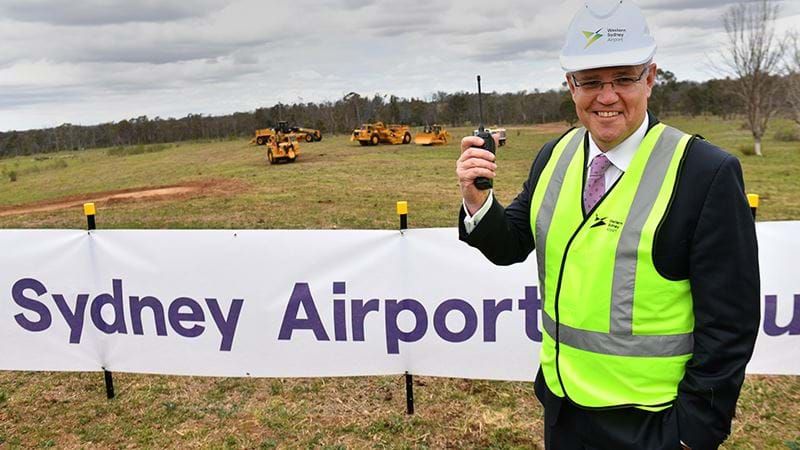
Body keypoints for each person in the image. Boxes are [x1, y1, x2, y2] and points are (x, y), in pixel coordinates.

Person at [455, 1, 760, 449]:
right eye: (591, 82)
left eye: (623, 78)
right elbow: (511, 244)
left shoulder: (703, 171)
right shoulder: (555, 155)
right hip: (563, 410)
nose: (607, 96)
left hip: (651, 424)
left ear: (650, 78)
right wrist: (476, 199)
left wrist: (692, 434)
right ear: (570, 86)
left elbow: (731, 323)